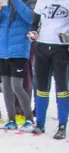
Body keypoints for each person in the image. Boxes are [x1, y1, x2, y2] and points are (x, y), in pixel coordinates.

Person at [0, 0, 36, 131]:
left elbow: (30, 18)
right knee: (5, 87)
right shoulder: (5, 3)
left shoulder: (29, 3)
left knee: (16, 86)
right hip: (2, 50)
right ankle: (11, 120)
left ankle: (29, 119)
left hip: (19, 50)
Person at [28, 0, 69, 139]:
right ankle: (40, 124)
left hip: (60, 48)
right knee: (41, 88)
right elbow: (35, 22)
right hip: (42, 47)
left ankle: (62, 126)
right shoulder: (42, 1)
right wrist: (33, 32)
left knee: (62, 89)